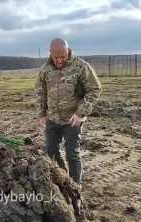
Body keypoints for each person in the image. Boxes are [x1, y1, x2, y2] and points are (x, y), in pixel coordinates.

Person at [35, 38, 101, 186]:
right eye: (56, 57)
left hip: (73, 119)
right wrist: (41, 114)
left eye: (63, 57)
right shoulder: (45, 69)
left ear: (68, 51)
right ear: (50, 53)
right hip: (52, 119)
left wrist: (81, 113)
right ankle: (62, 178)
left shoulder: (81, 66)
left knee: (72, 154)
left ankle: (76, 188)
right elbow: (41, 92)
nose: (59, 61)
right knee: (50, 152)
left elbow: (94, 90)